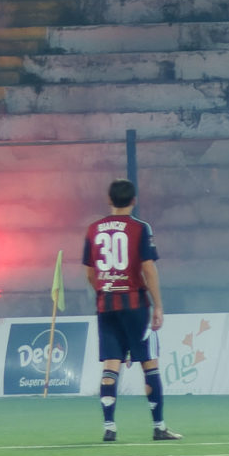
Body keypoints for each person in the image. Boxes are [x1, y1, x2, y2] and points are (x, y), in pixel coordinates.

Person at [82, 178, 179, 442]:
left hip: (106, 306)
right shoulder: (140, 228)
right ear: (134, 200)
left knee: (111, 364)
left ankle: (109, 427)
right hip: (135, 305)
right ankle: (159, 426)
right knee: (149, 364)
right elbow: (148, 268)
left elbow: (90, 273)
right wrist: (158, 304)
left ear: (109, 200)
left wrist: (104, 291)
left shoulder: (93, 229)